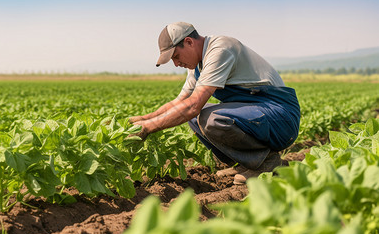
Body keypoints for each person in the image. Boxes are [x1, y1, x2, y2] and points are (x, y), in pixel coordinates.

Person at [129, 22, 300, 184]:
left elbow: (193, 105)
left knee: (211, 119)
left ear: (189, 42)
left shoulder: (220, 49)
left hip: (280, 115)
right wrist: (143, 120)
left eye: (176, 56)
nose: (176, 63)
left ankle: (267, 163)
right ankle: (246, 164)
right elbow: (180, 102)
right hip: (257, 113)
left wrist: (148, 128)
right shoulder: (197, 65)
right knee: (194, 119)